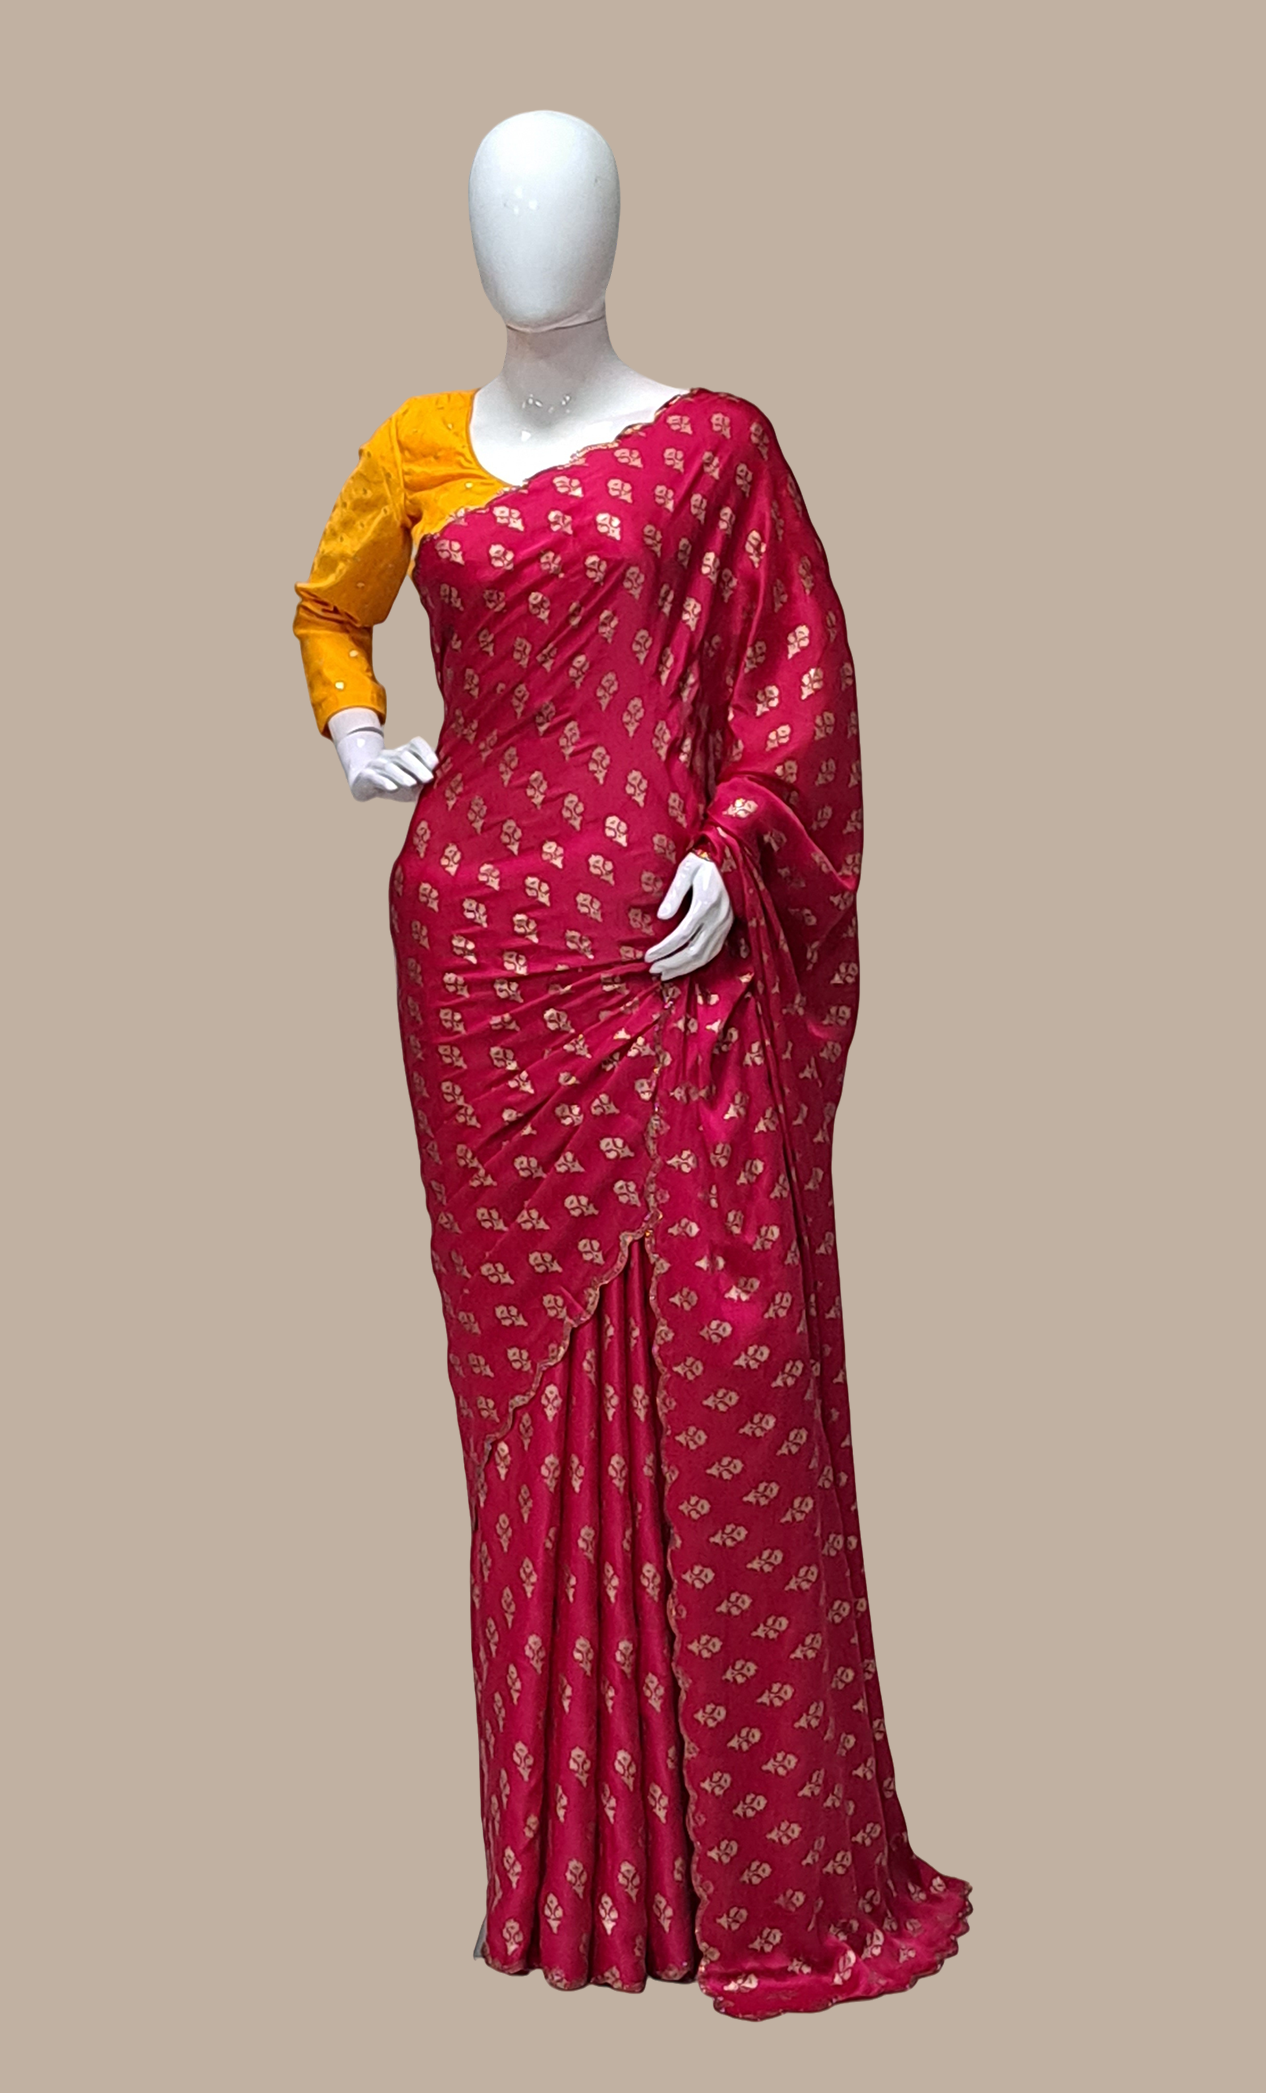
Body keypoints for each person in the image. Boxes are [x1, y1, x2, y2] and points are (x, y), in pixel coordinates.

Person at [293, 107, 971, 2020]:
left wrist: (738, 845)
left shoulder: (718, 448)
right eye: (506, 211)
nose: (538, 241)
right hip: (479, 966)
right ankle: (581, 1883)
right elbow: (328, 606)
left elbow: (801, 683)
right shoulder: (411, 449)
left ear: (614, 227)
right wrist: (352, 725)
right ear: (468, 238)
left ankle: (764, 1871)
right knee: (525, 1428)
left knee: (727, 1379)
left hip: (671, 968)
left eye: (568, 205)